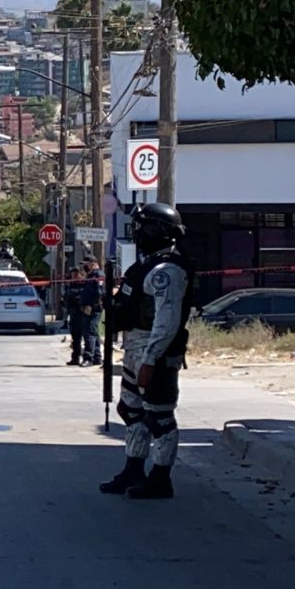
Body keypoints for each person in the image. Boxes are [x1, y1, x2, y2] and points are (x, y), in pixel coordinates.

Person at [100, 202, 191, 500]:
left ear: (157, 230)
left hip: (156, 353)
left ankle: (161, 479)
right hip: (134, 347)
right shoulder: (144, 266)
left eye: (142, 226)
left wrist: (151, 360)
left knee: (159, 418)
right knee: (131, 410)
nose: (137, 232)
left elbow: (167, 321)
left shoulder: (167, 271)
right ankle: (133, 469)